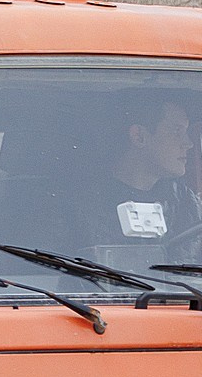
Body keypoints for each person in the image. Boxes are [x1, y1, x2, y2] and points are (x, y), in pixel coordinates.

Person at [64, 94, 202, 264]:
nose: (188, 143)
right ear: (139, 137)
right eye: (176, 131)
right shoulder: (78, 204)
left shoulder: (185, 203)